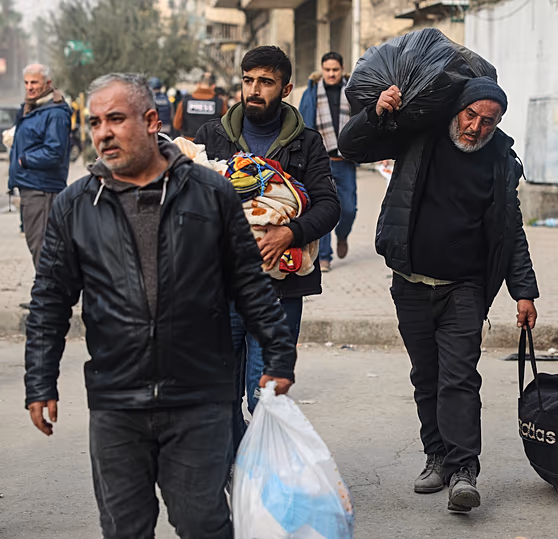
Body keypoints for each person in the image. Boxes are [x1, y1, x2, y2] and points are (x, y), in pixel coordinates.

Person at [23, 73, 297, 538]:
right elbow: (49, 300)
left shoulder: (210, 194)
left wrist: (279, 355)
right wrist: (39, 381)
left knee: (203, 523)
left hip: (199, 397)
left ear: (152, 121)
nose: (103, 133)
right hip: (116, 400)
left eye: (116, 119)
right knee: (125, 529)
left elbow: (249, 284)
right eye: (95, 123)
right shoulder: (76, 205)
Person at [338, 77, 540, 513]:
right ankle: (437, 457)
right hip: (410, 284)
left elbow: (511, 230)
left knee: (460, 378)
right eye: (471, 115)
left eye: (488, 121)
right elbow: (351, 147)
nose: (476, 127)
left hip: (464, 288)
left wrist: (524, 291)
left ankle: (464, 469)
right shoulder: (420, 135)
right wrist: (376, 112)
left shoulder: (500, 160)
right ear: (457, 110)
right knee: (425, 377)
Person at [195, 46, 339, 444]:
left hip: (279, 291)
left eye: (265, 82)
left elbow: (329, 206)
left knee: (266, 395)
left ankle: (264, 468)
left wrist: (290, 233)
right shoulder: (211, 137)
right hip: (218, 288)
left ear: (286, 88)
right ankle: (236, 462)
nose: (254, 90)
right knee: (218, 394)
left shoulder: (306, 143)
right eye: (248, 81)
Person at [8, 64, 72, 272]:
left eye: (34, 82)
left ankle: (49, 291)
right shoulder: (33, 108)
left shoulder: (55, 113)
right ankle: (48, 289)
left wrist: (24, 160)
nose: (29, 87)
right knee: (39, 246)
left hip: (43, 190)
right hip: (31, 187)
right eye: (26, 82)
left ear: (47, 83)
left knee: (42, 247)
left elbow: (55, 152)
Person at [300, 51, 356, 272]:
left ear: (342, 69)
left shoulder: (353, 91)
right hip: (320, 162)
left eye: (335, 70)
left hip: (345, 161)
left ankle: (342, 235)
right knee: (322, 208)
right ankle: (324, 256)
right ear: (322, 70)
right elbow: (303, 124)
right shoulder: (311, 93)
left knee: (349, 209)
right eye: (327, 70)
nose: (331, 74)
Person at [172, 72, 226, 141]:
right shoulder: (220, 103)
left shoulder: (185, 102)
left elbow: (176, 125)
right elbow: (227, 125)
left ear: (198, 84)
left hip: (190, 143)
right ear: (213, 86)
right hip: (212, 143)